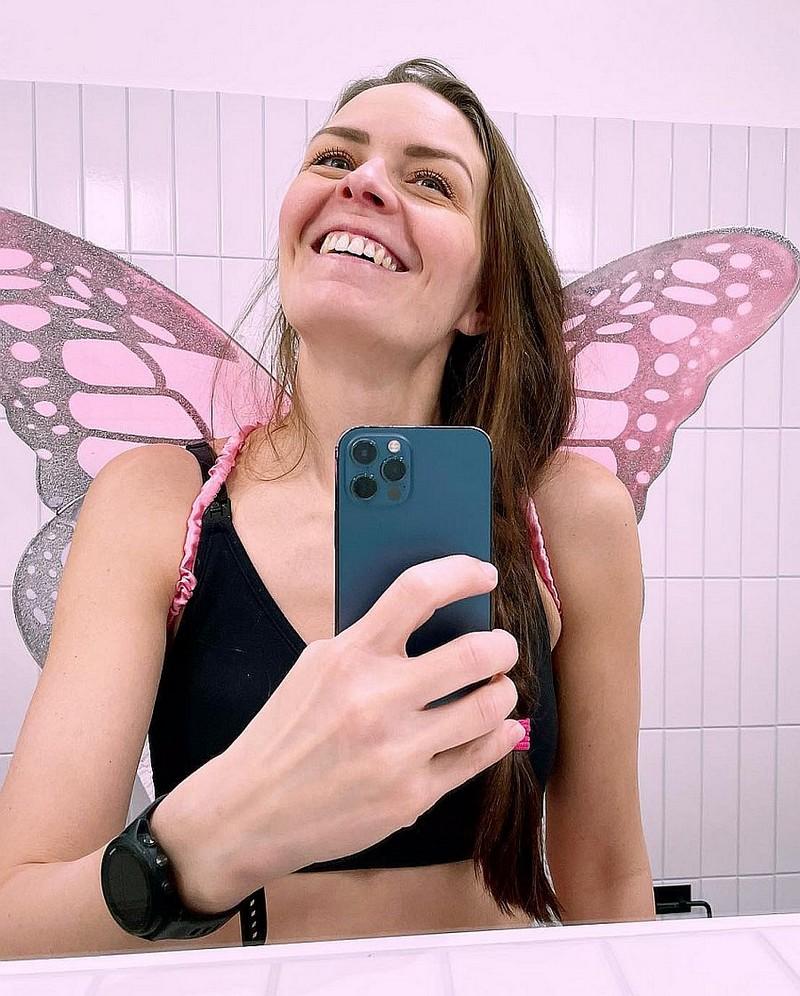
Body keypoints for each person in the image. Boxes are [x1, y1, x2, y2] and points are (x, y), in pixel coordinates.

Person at [0, 57, 654, 959]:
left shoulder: (571, 517)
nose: (364, 182)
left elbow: (608, 879)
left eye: (430, 180)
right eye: (334, 158)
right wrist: (210, 837)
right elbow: (16, 920)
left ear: (485, 296)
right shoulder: (154, 503)